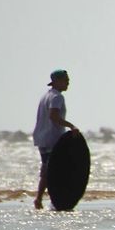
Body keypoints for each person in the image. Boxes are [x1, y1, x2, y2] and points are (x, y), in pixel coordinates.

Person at [31, 69, 79, 209]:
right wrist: (72, 126)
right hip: (53, 139)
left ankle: (39, 199)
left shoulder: (46, 96)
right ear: (57, 81)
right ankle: (54, 201)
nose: (68, 83)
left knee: (47, 170)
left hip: (42, 138)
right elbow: (54, 116)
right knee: (56, 171)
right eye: (66, 80)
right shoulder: (57, 97)